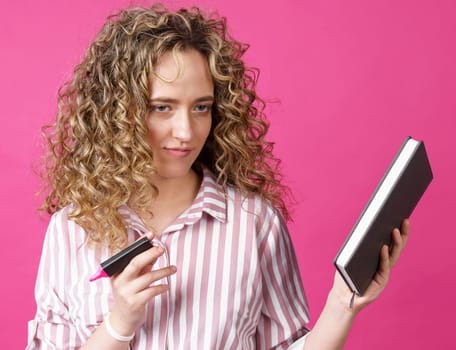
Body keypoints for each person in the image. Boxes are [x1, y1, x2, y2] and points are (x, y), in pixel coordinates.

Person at [27, 4, 410, 350]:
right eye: (162, 107)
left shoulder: (255, 223)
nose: (186, 131)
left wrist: (343, 304)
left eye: (201, 107)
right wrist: (119, 323)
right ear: (117, 113)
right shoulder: (72, 230)